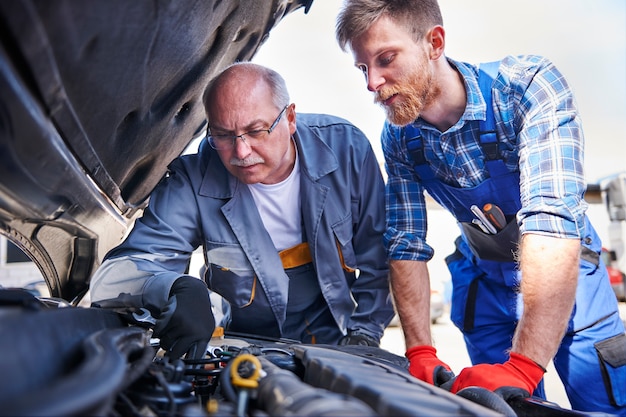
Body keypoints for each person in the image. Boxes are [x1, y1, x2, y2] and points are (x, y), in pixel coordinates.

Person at [335, 1, 626, 414]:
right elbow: (406, 244)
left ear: (434, 42)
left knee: (603, 404)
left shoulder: (526, 88)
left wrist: (524, 366)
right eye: (363, 68)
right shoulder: (400, 138)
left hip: (567, 277)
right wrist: (420, 350)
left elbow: (550, 222)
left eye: (385, 59)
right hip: (486, 282)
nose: (372, 83)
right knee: (497, 406)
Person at [90, 62, 394, 359]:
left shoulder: (346, 150)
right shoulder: (193, 181)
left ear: (289, 118)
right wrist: (174, 286)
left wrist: (365, 334)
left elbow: (379, 258)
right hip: (241, 346)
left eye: (257, 130)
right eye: (223, 135)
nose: (241, 152)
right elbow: (112, 277)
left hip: (335, 340)